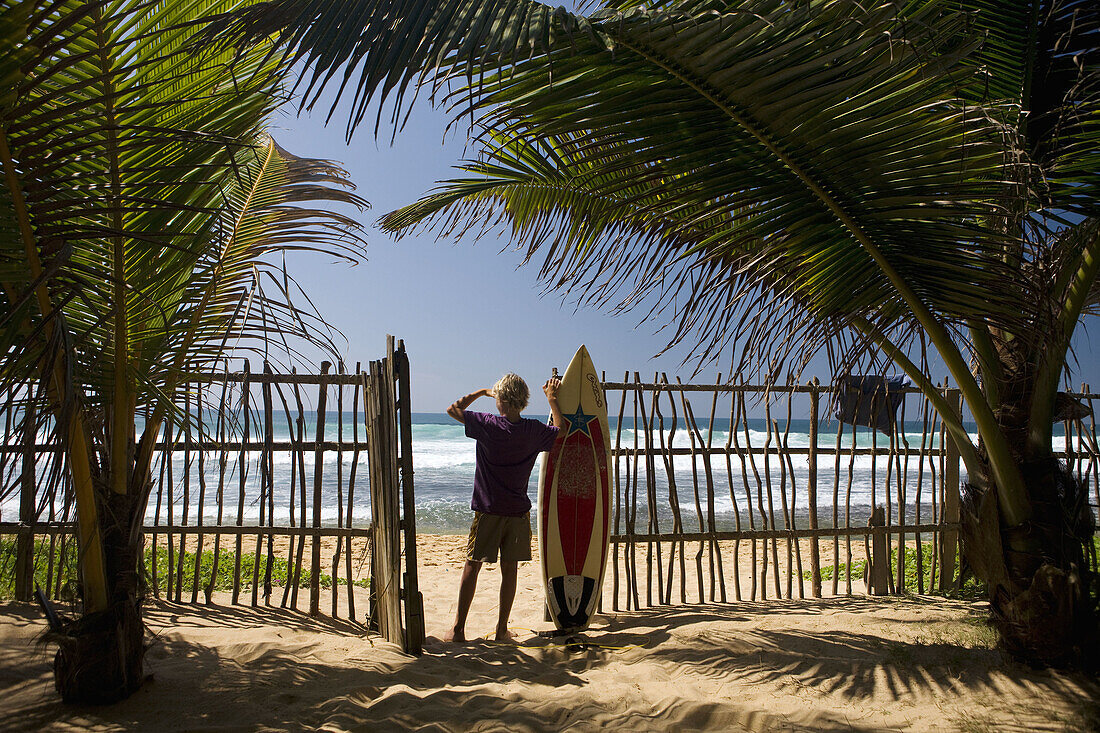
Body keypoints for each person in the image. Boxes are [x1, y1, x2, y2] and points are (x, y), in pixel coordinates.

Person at [443, 372, 565, 642]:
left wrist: (481, 391)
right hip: (518, 512)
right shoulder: (533, 430)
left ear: (503, 401)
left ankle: (458, 630)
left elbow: (454, 409)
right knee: (509, 570)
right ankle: (501, 631)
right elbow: (561, 430)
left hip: (488, 510)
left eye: (497, 397)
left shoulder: (487, 424)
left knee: (472, 566)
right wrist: (552, 400)